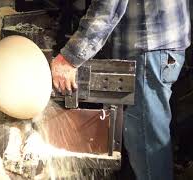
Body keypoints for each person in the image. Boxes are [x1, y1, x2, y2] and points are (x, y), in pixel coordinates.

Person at [51, 0, 191, 180]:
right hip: (161, 45)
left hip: (147, 48)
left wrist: (70, 57)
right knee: (149, 140)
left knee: (147, 147)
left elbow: (108, 5)